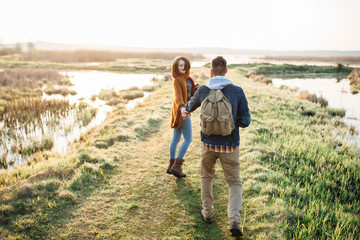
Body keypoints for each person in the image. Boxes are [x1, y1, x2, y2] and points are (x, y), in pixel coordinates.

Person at [183, 56, 250, 237]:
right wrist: (230, 122)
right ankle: (234, 220)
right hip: (230, 146)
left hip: (208, 145)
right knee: (234, 182)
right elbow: (245, 121)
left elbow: (188, 107)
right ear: (226, 71)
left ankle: (208, 213)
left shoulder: (204, 89)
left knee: (207, 177)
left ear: (211, 72)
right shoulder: (237, 91)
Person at [167, 56, 200, 178]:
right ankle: (176, 166)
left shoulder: (188, 79)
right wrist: (182, 109)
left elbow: (190, 97)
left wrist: (196, 88)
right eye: (180, 66)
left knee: (176, 138)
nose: (183, 68)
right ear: (176, 67)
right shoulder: (177, 80)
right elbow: (178, 97)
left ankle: (171, 166)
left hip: (183, 110)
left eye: (184, 65)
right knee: (188, 139)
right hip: (181, 112)